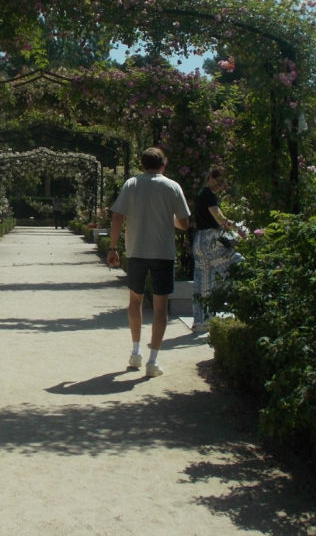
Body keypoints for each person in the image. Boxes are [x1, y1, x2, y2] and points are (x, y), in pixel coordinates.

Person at [105, 147, 191, 377]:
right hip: (163, 252)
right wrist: (168, 218)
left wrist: (113, 247)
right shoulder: (173, 187)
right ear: (164, 164)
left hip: (136, 251)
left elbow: (116, 216)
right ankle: (153, 360)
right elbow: (184, 223)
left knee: (135, 301)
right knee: (161, 307)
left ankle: (135, 352)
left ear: (142, 165)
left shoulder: (132, 184)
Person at [191, 166, 247, 333]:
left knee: (204, 282)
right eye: (220, 182)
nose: (221, 186)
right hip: (211, 241)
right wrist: (237, 228)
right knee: (237, 264)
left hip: (199, 241)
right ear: (211, 178)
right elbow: (219, 217)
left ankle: (202, 322)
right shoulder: (209, 195)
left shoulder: (202, 194)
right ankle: (242, 301)